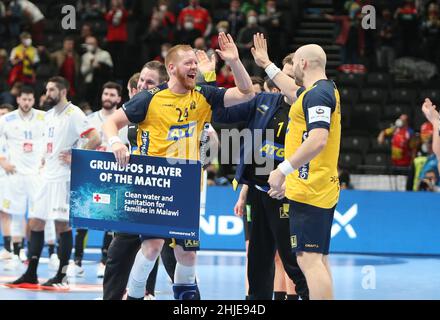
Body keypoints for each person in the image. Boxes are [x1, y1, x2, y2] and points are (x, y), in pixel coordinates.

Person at [103, 33, 255, 300]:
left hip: (186, 184)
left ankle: (186, 300)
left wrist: (234, 62)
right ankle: (135, 295)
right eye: (188, 63)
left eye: (195, 64)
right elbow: (111, 122)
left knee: (188, 253)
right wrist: (116, 142)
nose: (194, 67)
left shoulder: (204, 95)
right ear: (171, 68)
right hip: (155, 182)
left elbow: (246, 93)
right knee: (151, 246)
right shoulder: (149, 98)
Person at [252, 33, 341, 299]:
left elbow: (318, 140)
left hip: (311, 188)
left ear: (302, 63)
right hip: (314, 186)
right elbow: (291, 90)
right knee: (318, 260)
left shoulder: (319, 95)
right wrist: (267, 64)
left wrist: (282, 170)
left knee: (309, 260)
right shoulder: (320, 91)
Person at [214, 56, 308, 300]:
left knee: (292, 258)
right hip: (258, 191)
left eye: (289, 76)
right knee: (258, 257)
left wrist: (291, 182)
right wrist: (212, 75)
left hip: (288, 194)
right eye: (280, 75)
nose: (282, 81)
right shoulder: (265, 100)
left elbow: (318, 155)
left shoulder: (308, 110)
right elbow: (222, 113)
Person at [5, 76, 101, 290]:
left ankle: (62, 274)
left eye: (51, 90)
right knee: (35, 223)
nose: (46, 94)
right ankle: (30, 273)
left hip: (63, 178)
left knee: (61, 225)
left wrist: (78, 156)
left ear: (63, 91)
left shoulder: (73, 113)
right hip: (46, 176)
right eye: (47, 89)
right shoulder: (48, 115)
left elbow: (95, 138)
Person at [69, 82, 129, 278]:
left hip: (113, 176)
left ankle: (104, 262)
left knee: (109, 219)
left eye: (112, 95)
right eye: (106, 93)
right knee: (84, 217)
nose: (108, 97)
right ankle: (77, 261)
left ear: (119, 99)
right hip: (91, 174)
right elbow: (80, 144)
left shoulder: (125, 121)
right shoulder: (90, 119)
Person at [0, 87, 58, 271]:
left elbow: (54, 138)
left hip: (37, 173)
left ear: (34, 100)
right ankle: (16, 254)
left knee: (44, 213)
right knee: (17, 214)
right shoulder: (6, 120)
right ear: (18, 99)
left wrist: (47, 159)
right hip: (15, 173)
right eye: (23, 99)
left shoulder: (44, 117)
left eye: (29, 99)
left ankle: (53, 253)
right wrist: (3, 161)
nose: (26, 103)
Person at [0, 103, 14, 260]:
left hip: (10, 178)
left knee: (10, 213)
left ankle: (15, 248)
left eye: (5, 114)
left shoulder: (15, 136)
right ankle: (8, 248)